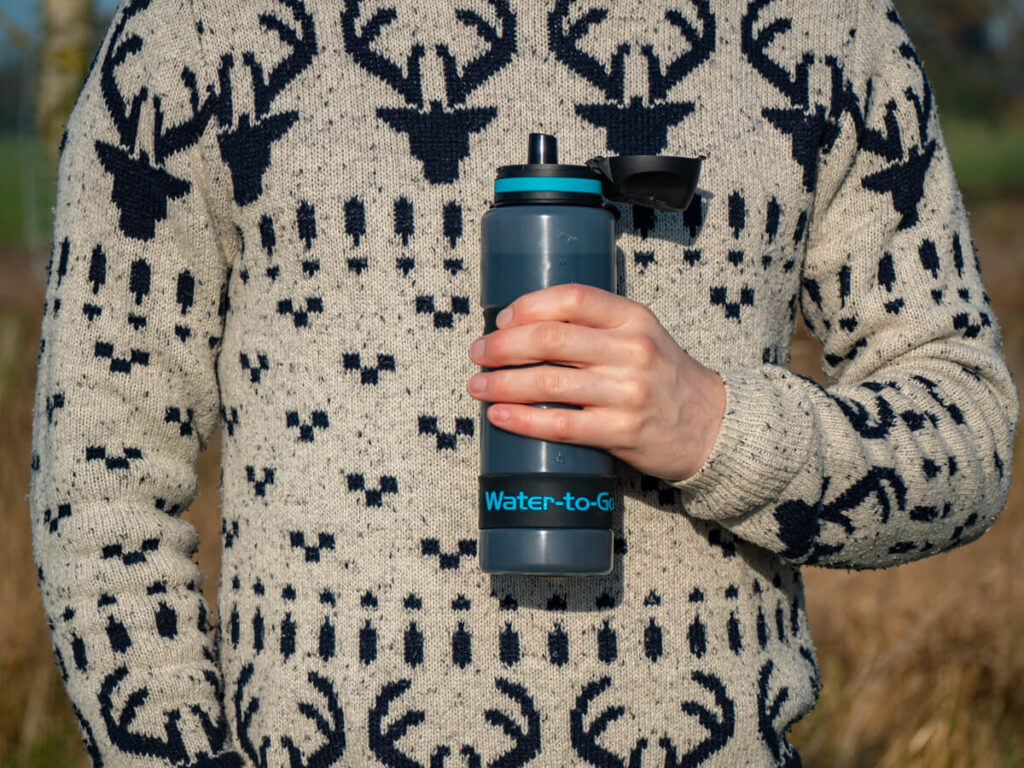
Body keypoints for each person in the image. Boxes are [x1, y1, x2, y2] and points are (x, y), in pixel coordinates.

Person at [29, 0, 1018, 765]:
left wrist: (718, 430)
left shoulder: (825, 31)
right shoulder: (197, 36)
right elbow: (99, 486)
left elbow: (968, 436)